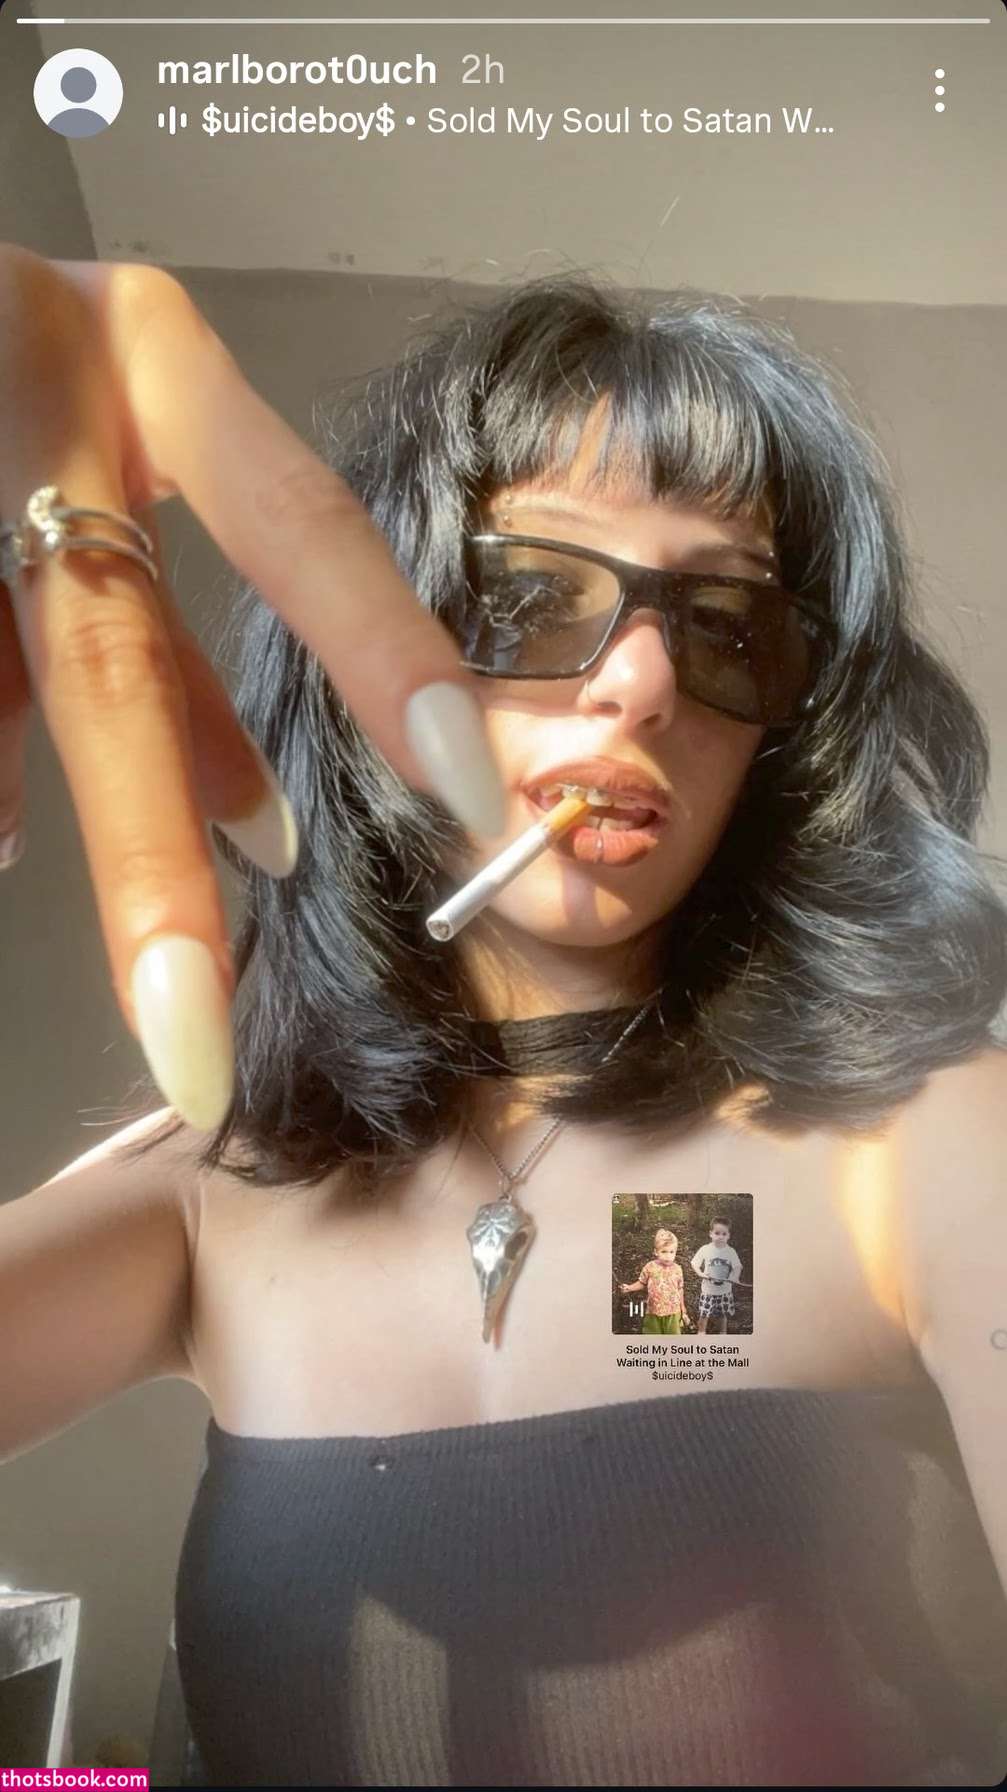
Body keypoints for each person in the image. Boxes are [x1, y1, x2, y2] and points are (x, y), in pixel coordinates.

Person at [1, 252, 1006, 1787]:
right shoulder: (219, 1188)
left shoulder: (926, 1141)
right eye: (532, 593)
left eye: (727, 625)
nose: (643, 682)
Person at [620, 1227, 690, 1334]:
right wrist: (629, 1288)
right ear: (656, 1252)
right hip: (653, 1311)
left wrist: (682, 1307)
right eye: (664, 1251)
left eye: (672, 1252)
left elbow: (680, 1289)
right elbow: (642, 1282)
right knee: (652, 1334)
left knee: (672, 1336)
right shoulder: (650, 1267)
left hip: (673, 1311)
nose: (668, 1256)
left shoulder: (677, 1269)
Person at [691, 1219, 743, 1335]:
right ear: (711, 1234)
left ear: (728, 1236)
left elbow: (737, 1266)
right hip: (708, 1291)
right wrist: (701, 1274)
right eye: (717, 1233)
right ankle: (701, 1332)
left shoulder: (730, 1251)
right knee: (704, 1314)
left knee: (723, 1315)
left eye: (724, 1234)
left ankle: (722, 1333)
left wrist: (735, 1276)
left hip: (724, 1291)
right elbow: (694, 1263)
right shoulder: (705, 1249)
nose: (720, 1237)